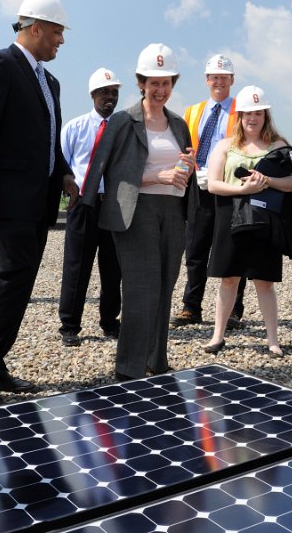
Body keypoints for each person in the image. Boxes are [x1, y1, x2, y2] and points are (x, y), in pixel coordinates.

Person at [0, 0, 78, 403]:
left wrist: (63, 173)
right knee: (9, 278)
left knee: (19, 282)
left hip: (35, 202)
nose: (61, 40)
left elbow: (48, 139)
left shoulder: (50, 82)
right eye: (58, 32)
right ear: (37, 28)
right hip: (2, 199)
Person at [82, 43, 198, 380]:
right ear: (141, 83)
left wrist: (186, 168)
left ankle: (156, 362)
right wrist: (154, 175)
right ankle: (129, 369)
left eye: (166, 83)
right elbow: (107, 170)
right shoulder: (122, 121)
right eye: (153, 82)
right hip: (137, 211)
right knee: (141, 289)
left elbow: (180, 165)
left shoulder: (178, 124)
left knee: (165, 286)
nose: (160, 90)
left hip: (172, 211)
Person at [205, 86, 292, 356]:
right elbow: (213, 185)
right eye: (248, 113)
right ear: (239, 116)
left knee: (264, 281)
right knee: (228, 279)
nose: (253, 118)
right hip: (231, 217)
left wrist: (267, 181)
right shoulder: (225, 145)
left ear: (265, 115)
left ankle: (272, 340)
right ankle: (217, 336)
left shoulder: (279, 145)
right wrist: (242, 190)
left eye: (258, 112)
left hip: (266, 220)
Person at [170, 54, 246, 329]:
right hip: (199, 188)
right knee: (195, 249)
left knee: (234, 248)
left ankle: (234, 310)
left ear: (232, 80)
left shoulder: (243, 109)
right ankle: (191, 307)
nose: (218, 82)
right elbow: (186, 148)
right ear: (206, 80)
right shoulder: (193, 112)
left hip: (230, 188)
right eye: (214, 77)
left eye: (223, 77)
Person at [58, 68, 122, 346]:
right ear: (93, 94)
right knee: (76, 266)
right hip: (83, 205)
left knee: (113, 268)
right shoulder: (75, 127)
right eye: (105, 92)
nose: (110, 97)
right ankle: (69, 325)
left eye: (114, 93)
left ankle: (110, 321)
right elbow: (63, 166)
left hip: (114, 205)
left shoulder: (124, 129)